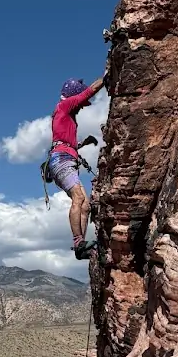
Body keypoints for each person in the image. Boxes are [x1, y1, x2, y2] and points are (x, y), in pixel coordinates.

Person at [48, 75, 106, 259]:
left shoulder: (65, 115)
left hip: (64, 159)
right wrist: (106, 77)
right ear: (73, 94)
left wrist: (83, 143)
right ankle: (78, 242)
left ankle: (82, 246)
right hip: (61, 160)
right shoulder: (65, 106)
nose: (82, 107)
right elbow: (89, 92)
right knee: (78, 197)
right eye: (80, 104)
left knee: (86, 205)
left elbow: (64, 141)